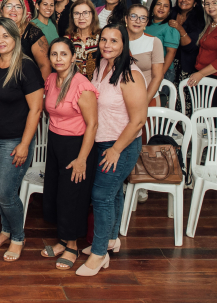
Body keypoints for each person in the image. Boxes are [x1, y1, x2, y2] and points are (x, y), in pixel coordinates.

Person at [78, 24, 146, 277]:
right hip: (102, 140)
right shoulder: (102, 65)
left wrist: (116, 149)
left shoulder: (131, 74)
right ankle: (110, 240)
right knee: (114, 192)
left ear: (124, 44)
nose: (107, 45)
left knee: (101, 195)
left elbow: (138, 120)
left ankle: (99, 255)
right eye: (103, 39)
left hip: (120, 144)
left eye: (114, 41)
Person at [0, 18, 44, 262]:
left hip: (14, 141)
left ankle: (18, 237)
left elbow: (36, 109)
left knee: (6, 193)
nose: (0, 41)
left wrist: (24, 144)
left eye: (5, 36)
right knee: (2, 188)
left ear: (15, 38)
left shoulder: (26, 67)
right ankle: (6, 231)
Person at [40, 37, 98, 271]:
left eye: (64, 54)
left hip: (76, 145)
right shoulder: (51, 79)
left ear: (73, 57)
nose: (58, 59)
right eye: (54, 54)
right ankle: (63, 240)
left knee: (71, 196)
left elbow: (92, 124)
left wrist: (82, 159)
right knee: (56, 193)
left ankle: (72, 246)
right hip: (55, 143)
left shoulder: (82, 85)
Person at [168, 0, 205, 113]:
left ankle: (183, 123)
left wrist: (179, 28)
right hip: (169, 60)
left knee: (184, 99)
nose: (184, 0)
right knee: (169, 96)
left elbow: (189, 47)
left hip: (187, 63)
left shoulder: (199, 19)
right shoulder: (171, 12)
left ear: (195, 3)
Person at [125, 5, 165, 106]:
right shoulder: (117, 40)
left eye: (143, 18)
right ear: (126, 19)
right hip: (121, 98)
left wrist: (144, 102)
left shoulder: (154, 42)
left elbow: (157, 77)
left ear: (146, 22)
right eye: (133, 16)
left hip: (147, 97)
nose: (138, 21)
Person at [146, 0, 179, 85]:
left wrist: (160, 74)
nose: (161, 8)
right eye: (158, 4)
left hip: (163, 71)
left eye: (166, 6)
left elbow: (171, 52)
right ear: (153, 7)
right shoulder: (145, 23)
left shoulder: (170, 28)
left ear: (169, 11)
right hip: (146, 69)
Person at [67, 0, 101, 81]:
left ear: (92, 15)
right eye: (77, 13)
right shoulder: (67, 41)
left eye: (85, 13)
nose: (81, 17)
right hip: (74, 85)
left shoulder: (102, 38)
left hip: (98, 85)